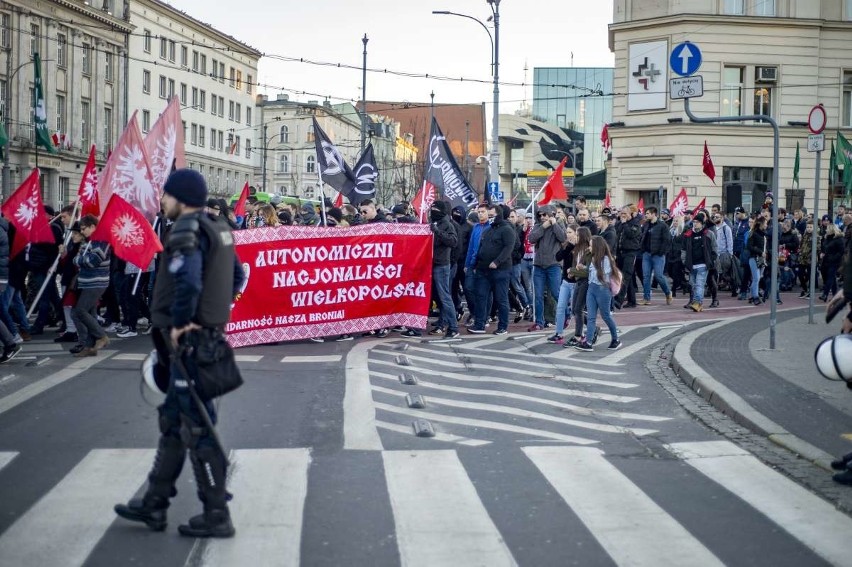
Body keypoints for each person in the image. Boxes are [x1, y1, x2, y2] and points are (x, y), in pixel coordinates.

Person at [115, 169, 245, 538]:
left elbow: (187, 280)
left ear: (181, 197)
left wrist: (183, 322)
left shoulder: (186, 229)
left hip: (188, 346)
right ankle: (154, 503)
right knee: (175, 423)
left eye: (166, 196)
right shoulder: (219, 229)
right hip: (207, 340)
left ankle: (217, 513)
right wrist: (215, 313)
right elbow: (236, 276)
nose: (162, 202)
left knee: (197, 428)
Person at [470, 204, 516, 335]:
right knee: (481, 297)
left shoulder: (507, 229)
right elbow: (481, 247)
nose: (489, 218)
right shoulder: (488, 230)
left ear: (498, 215)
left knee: (501, 299)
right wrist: (475, 264)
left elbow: (509, 248)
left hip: (500, 270)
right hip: (483, 270)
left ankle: (503, 326)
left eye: (491, 216)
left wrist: (497, 261)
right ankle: (479, 324)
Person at [70, 215, 112, 357]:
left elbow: (92, 261)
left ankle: (102, 336)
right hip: (87, 282)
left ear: (93, 227)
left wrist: (80, 259)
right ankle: (89, 347)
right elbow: (77, 258)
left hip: (97, 282)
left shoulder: (102, 241)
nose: (82, 232)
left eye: (84, 229)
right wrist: (80, 259)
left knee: (79, 311)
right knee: (91, 314)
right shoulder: (89, 241)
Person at [574, 235, 621, 351]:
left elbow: (601, 275)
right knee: (590, 317)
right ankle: (588, 342)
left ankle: (616, 339)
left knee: (606, 316)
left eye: (591, 245)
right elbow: (591, 272)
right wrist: (583, 267)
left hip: (602, 289)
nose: (589, 247)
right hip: (592, 288)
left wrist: (590, 266)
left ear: (597, 246)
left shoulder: (606, 259)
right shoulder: (593, 257)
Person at [528, 204, 567, 331]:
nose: (542, 217)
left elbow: (563, 238)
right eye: (540, 215)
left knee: (556, 293)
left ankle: (566, 315)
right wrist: (543, 227)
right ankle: (539, 322)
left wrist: (554, 224)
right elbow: (531, 239)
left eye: (545, 214)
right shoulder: (538, 226)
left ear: (552, 214)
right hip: (539, 265)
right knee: (538, 296)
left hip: (553, 265)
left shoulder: (559, 225)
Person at [683, 213, 717, 312]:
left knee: (699, 284)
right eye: (694, 222)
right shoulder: (688, 234)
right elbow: (684, 249)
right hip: (692, 264)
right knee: (692, 284)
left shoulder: (709, 234)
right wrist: (684, 261)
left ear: (702, 223)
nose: (695, 224)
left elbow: (715, 247)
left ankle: (698, 303)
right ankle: (696, 302)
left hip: (703, 264)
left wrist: (712, 259)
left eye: (697, 222)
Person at [639, 207, 673, 305]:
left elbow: (667, 240)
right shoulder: (645, 224)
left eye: (648, 213)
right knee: (646, 276)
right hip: (646, 254)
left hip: (658, 255)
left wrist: (661, 252)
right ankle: (646, 298)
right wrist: (642, 248)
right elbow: (642, 236)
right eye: (646, 213)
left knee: (659, 276)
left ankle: (668, 292)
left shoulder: (662, 225)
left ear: (654, 214)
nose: (646, 215)